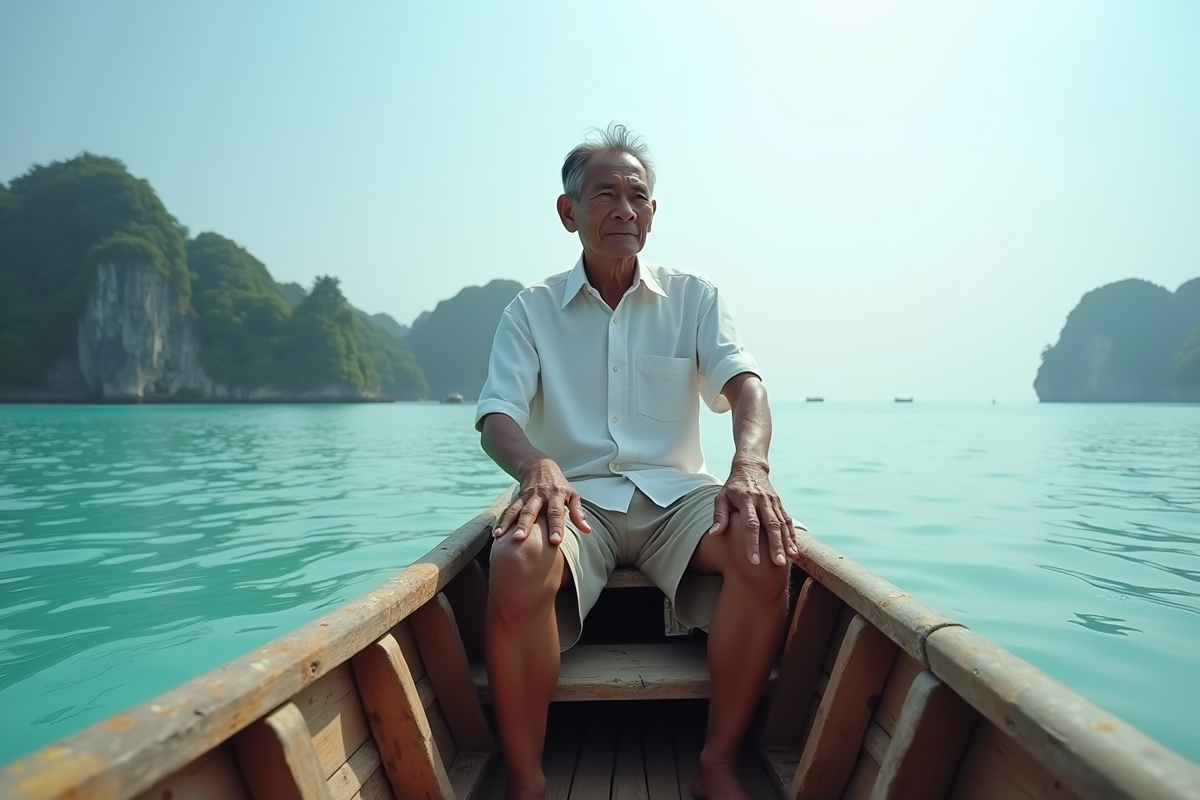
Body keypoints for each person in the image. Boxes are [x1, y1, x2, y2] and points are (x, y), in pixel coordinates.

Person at [475, 123, 801, 800]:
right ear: (569, 213)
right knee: (513, 560)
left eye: (638, 195)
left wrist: (750, 466)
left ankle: (716, 764)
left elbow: (748, 387)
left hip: (678, 497)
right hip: (578, 497)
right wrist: (537, 464)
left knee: (764, 550)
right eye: (605, 195)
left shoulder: (695, 298)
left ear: (653, 212)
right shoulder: (530, 310)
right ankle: (528, 782)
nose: (624, 207)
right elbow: (497, 415)